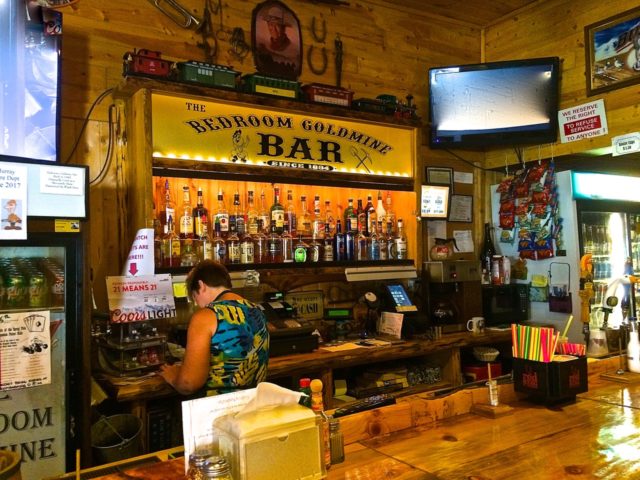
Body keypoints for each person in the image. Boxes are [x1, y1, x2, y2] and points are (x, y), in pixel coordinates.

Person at [159, 260, 269, 395]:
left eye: (194, 296)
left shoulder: (206, 316)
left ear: (201, 285)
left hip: (218, 409)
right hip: (254, 406)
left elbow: (188, 384)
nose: (197, 304)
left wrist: (174, 377)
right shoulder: (257, 310)